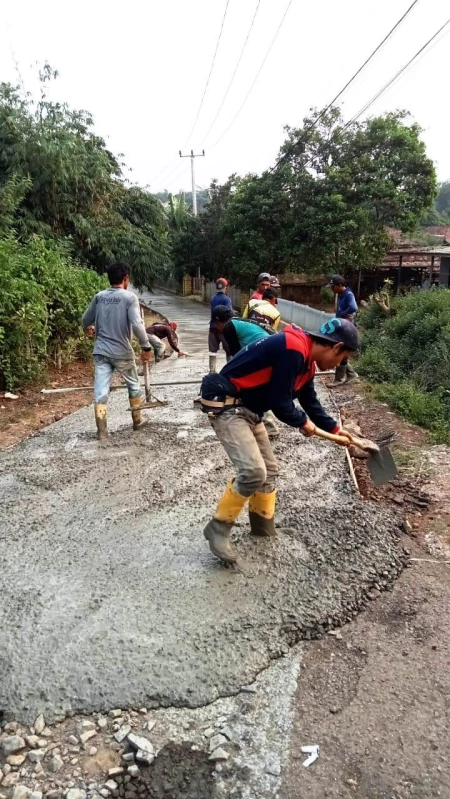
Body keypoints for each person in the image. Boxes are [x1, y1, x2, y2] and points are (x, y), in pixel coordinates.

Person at [200, 317, 360, 563]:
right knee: (253, 472)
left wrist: (335, 429)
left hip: (250, 410)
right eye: (342, 358)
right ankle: (218, 528)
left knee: (270, 471)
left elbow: (309, 401)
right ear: (336, 347)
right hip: (229, 406)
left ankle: (262, 527)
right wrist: (303, 423)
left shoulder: (307, 362)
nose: (339, 363)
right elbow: (280, 403)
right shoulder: (293, 349)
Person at [81, 262, 164, 440]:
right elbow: (137, 324)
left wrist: (87, 328)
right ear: (125, 279)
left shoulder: (99, 297)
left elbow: (85, 319)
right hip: (122, 352)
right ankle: (137, 420)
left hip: (101, 352)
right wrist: (146, 346)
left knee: (101, 390)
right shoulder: (129, 298)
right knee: (133, 384)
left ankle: (102, 431)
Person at [328, 275, 359, 385]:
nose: (332, 289)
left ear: (340, 285)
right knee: (342, 351)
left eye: (333, 287)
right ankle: (351, 374)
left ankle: (339, 379)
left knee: (341, 350)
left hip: (347, 326)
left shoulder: (348, 294)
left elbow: (354, 307)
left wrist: (341, 314)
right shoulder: (341, 295)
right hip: (342, 325)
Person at [209, 278, 232, 360]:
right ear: (225, 288)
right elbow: (229, 314)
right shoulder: (227, 299)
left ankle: (212, 370)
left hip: (213, 326)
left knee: (212, 351)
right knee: (229, 351)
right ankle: (230, 369)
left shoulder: (212, 298)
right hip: (224, 328)